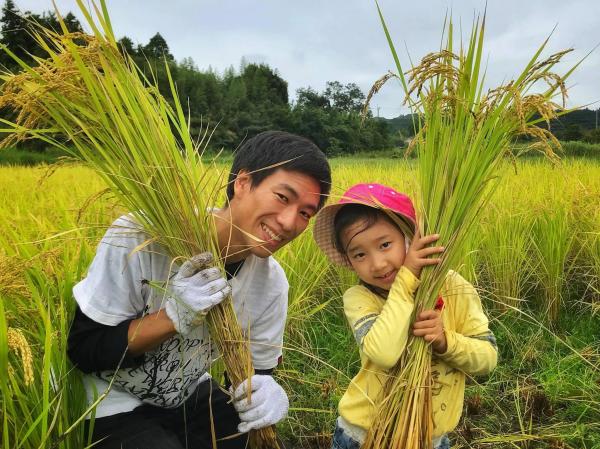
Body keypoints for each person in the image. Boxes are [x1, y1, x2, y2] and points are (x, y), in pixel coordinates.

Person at [67, 131, 332, 449]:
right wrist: (173, 316)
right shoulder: (140, 236)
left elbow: (253, 374)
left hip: (187, 392)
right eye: (283, 197)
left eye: (305, 212)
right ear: (243, 183)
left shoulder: (272, 285)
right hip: (107, 398)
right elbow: (84, 350)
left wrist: (267, 393)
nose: (290, 222)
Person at [312, 183, 498, 449]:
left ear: (409, 238)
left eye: (385, 244)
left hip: (429, 440)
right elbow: (385, 353)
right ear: (349, 260)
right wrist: (407, 279)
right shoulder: (360, 297)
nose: (377, 264)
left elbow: (488, 359)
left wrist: (445, 342)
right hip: (362, 437)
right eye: (360, 254)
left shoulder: (454, 288)